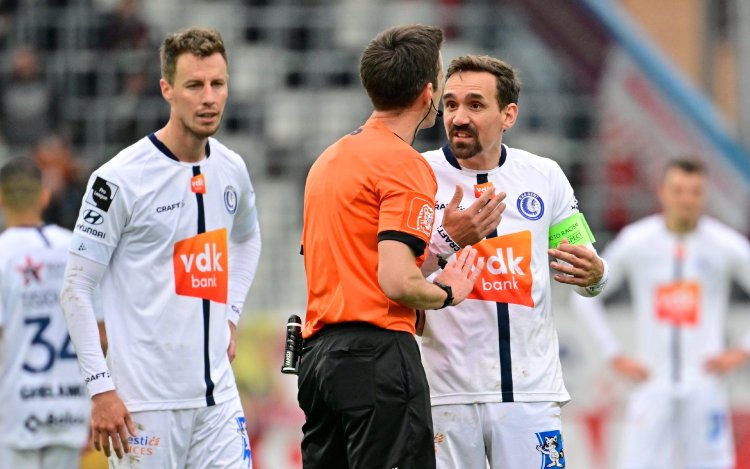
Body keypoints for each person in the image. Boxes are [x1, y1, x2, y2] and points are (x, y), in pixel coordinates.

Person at [59, 27, 261, 468]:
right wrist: (101, 388)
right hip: (143, 406)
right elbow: (75, 288)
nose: (209, 97)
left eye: (218, 84)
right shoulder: (117, 179)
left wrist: (229, 315)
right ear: (167, 90)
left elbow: (248, 237)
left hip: (217, 399)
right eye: (194, 85)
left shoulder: (232, 168)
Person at [298, 24, 484, 469]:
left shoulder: (329, 160)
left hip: (318, 360)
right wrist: (448, 292)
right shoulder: (406, 165)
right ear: (427, 93)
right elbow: (397, 280)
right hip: (377, 359)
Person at [418, 54, 608, 469]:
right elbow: (396, 277)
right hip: (446, 394)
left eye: (475, 104)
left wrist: (597, 276)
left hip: (531, 395)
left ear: (509, 114)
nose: (459, 117)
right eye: (450, 105)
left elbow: (587, 266)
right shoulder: (418, 176)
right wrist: (447, 242)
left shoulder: (544, 176)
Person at [571, 158, 750, 469]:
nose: (686, 199)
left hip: (705, 384)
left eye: (695, 191)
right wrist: (612, 354)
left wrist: (743, 350)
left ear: (703, 195)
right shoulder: (638, 241)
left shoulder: (724, 244)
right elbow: (586, 295)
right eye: (678, 190)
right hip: (652, 383)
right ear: (663, 192)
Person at [0, 157, 99, 468]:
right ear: (44, 196)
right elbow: (102, 333)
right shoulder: (74, 248)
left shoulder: (3, 255)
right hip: (70, 407)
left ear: (1, 198)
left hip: (16, 408)